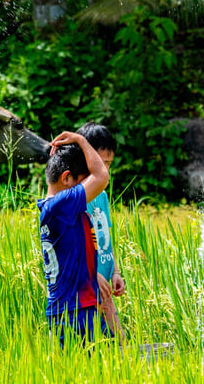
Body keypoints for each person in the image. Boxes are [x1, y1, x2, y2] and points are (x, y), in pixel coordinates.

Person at [38, 131, 110, 346]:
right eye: (82, 182)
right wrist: (80, 139)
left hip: (77, 308)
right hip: (73, 313)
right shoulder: (60, 204)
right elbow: (101, 177)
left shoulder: (57, 209)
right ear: (66, 178)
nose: (87, 188)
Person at [76, 122, 126, 342]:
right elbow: (74, 244)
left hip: (104, 287)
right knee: (95, 346)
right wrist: (93, 275)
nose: (105, 170)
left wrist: (115, 271)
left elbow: (106, 239)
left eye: (109, 164)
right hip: (86, 287)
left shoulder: (102, 197)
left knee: (121, 343)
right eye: (101, 163)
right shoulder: (75, 198)